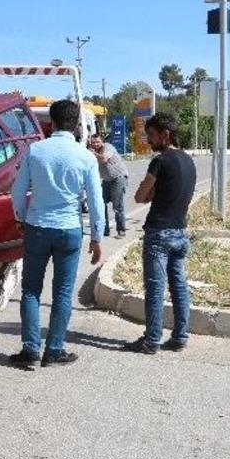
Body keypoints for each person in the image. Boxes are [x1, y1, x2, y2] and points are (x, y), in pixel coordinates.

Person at [9, 100, 105, 368]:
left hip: (37, 226)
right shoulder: (85, 156)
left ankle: (30, 351)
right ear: (76, 125)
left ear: (51, 123)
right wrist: (97, 238)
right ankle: (54, 350)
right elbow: (96, 201)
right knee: (62, 293)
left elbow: (17, 191)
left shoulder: (35, 151)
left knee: (30, 290)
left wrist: (19, 218)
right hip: (69, 229)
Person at [126, 113, 196, 354]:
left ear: (166, 135)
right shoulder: (189, 161)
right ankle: (180, 337)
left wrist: (150, 192)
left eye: (152, 135)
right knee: (179, 286)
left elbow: (139, 196)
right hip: (180, 233)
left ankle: (151, 340)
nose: (149, 140)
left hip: (159, 234)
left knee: (155, 289)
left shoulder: (160, 161)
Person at [88, 133, 129, 238]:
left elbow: (104, 159)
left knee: (117, 205)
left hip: (118, 177)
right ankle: (105, 230)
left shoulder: (108, 147)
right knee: (101, 204)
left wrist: (92, 153)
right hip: (107, 180)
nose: (95, 144)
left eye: (97, 142)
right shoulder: (91, 152)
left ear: (102, 141)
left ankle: (121, 230)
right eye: (93, 142)